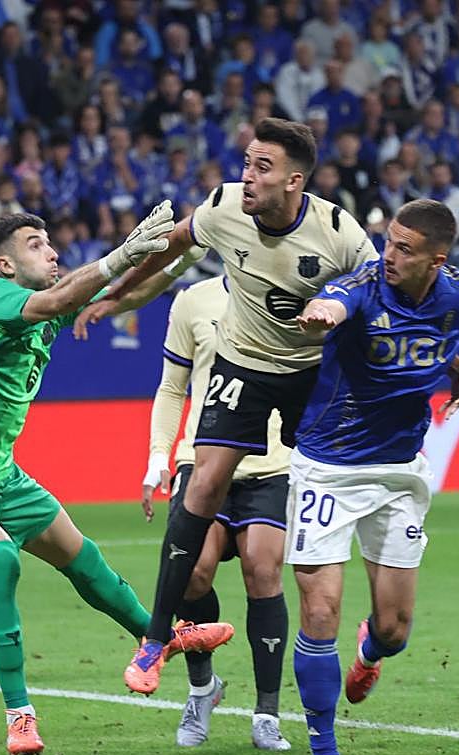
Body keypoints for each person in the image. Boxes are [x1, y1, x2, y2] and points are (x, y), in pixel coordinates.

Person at [0, 203, 234, 755]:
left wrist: (178, 255)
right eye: (35, 244)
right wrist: (122, 253)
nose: (52, 251)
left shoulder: (44, 309)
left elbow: (118, 294)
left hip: (3, 478)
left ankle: (158, 639)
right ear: (5, 265)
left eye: (50, 242)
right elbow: (61, 298)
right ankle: (20, 714)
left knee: (85, 559)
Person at [75, 118, 379, 697]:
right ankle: (155, 638)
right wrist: (118, 298)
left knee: (347, 491)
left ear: (294, 181)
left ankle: (379, 626)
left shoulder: (340, 233)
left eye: (263, 168)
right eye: (246, 163)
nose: (248, 177)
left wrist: (446, 361)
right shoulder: (223, 208)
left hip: (311, 376)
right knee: (203, 484)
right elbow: (172, 247)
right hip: (243, 366)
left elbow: (383, 295)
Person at [287, 199, 459, 755]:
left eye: (405, 249)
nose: (389, 255)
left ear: (435, 260)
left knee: (395, 628)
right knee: (319, 612)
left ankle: (371, 650)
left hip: (400, 473)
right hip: (328, 469)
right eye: (389, 241)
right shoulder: (363, 287)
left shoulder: (458, 295)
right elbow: (336, 301)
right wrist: (321, 313)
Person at [140, 255, 293, 751]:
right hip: (202, 460)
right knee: (194, 573)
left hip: (271, 464)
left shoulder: (296, 300)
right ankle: (203, 687)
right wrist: (158, 457)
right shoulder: (194, 301)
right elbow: (172, 387)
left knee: (263, 570)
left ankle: (266, 714)